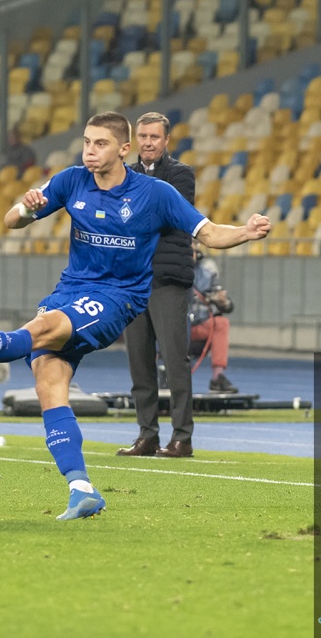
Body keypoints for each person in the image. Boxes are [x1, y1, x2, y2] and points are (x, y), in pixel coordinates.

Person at [0, 112, 271, 520]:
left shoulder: (155, 193)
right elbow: (11, 219)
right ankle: (81, 489)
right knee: (48, 382)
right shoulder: (71, 180)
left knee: (42, 329)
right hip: (69, 290)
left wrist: (245, 231)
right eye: (87, 142)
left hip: (118, 297)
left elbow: (208, 232)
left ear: (124, 149)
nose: (90, 151)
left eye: (100, 143)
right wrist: (28, 210)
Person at [118, 112, 197, 459]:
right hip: (133, 282)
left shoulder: (181, 174)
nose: (148, 142)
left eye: (154, 137)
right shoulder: (126, 174)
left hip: (167, 279)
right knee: (139, 362)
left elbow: (165, 215)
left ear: (166, 141)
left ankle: (182, 438)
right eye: (143, 136)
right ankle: (147, 435)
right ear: (135, 140)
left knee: (175, 360)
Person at [190, 244, 238, 393]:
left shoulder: (208, 273)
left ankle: (218, 377)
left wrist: (222, 301)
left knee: (221, 323)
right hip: (172, 325)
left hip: (197, 325)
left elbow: (227, 305)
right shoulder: (165, 270)